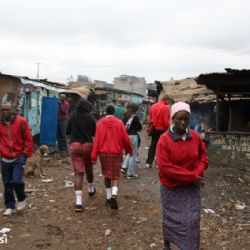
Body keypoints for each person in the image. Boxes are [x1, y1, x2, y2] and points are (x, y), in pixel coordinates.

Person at [156, 102, 208, 250]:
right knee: (170, 219)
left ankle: (189, 246)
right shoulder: (164, 140)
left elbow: (203, 157)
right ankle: (167, 243)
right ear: (173, 118)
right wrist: (191, 177)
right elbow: (165, 167)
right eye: (179, 119)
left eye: (186, 119)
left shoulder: (195, 137)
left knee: (192, 220)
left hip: (191, 188)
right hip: (172, 188)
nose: (183, 122)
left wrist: (197, 173)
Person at [91, 105, 132, 210]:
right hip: (116, 153)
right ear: (113, 112)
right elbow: (126, 139)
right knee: (115, 175)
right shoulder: (119, 123)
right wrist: (129, 150)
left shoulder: (100, 123)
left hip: (103, 153)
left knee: (107, 175)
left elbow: (97, 140)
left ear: (105, 112)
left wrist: (94, 156)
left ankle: (109, 197)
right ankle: (114, 194)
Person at [0, 103, 33, 216]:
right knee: (7, 183)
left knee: (17, 180)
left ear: (12, 110)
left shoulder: (21, 122)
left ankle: (21, 198)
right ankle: (10, 206)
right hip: (5, 158)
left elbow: (28, 138)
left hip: (19, 156)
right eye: (3, 109)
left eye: (7, 109)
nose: (5, 111)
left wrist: (25, 154)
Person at [66, 99, 96, 212]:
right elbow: (94, 132)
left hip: (74, 145)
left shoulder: (72, 115)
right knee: (89, 169)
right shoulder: (90, 117)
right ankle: (91, 188)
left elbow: (67, 131)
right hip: (87, 145)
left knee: (78, 173)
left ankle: (78, 202)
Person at [146, 95, 171, 168]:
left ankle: (148, 162)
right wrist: (169, 128)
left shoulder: (153, 106)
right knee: (161, 146)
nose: (169, 103)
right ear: (166, 100)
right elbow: (166, 122)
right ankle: (158, 163)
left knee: (153, 145)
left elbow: (150, 118)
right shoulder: (165, 108)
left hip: (154, 129)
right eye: (169, 101)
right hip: (162, 130)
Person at [121, 103, 142, 178]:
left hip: (126, 135)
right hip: (133, 136)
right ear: (136, 110)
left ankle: (124, 166)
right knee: (133, 154)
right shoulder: (135, 117)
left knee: (129, 152)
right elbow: (140, 127)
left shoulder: (125, 115)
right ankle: (131, 172)